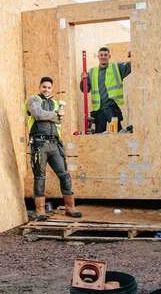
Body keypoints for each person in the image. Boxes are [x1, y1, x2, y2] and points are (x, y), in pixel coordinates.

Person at [26, 76, 82, 220]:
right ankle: (40, 211)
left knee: (64, 175)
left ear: (52, 88)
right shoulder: (33, 100)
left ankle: (70, 208)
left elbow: (59, 120)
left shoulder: (56, 103)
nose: (46, 89)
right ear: (40, 87)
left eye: (49, 87)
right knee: (40, 177)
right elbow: (38, 115)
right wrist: (55, 114)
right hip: (39, 144)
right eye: (44, 86)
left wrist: (54, 115)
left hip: (55, 144)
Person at [80, 47, 131, 133]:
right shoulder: (92, 72)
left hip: (111, 108)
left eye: (105, 55)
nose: (103, 57)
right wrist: (83, 80)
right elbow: (85, 89)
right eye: (101, 55)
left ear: (109, 56)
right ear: (98, 57)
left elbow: (132, 65)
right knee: (99, 136)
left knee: (116, 134)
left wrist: (133, 55)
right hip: (99, 110)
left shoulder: (116, 68)